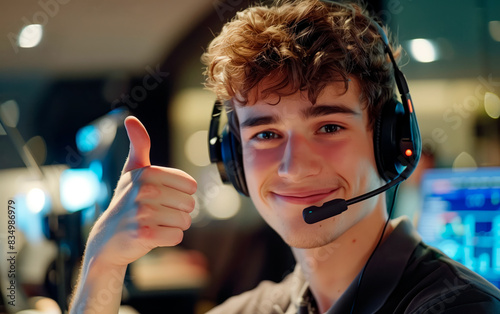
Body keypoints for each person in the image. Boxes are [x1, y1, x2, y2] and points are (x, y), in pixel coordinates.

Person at [69, 0, 500, 313]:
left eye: (329, 127)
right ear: (234, 158)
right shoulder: (254, 309)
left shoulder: (461, 307)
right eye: (267, 133)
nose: (294, 166)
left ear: (391, 141)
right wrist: (103, 263)